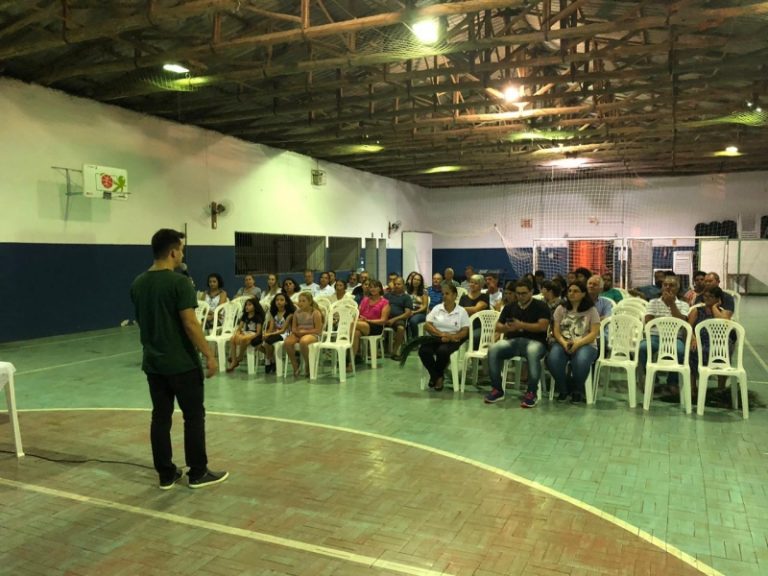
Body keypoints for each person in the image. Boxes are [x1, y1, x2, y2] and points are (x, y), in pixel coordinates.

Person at [130, 228, 228, 490]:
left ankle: (166, 473)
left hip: (154, 363)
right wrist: (209, 354)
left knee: (160, 418)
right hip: (182, 364)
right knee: (193, 417)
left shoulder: (138, 283)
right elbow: (190, 323)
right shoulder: (179, 283)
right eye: (181, 250)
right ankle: (197, 472)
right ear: (173, 252)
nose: (182, 254)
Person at [484, 280, 550, 408]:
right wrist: (508, 328)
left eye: (524, 293)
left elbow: (543, 326)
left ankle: (531, 392)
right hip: (513, 342)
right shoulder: (510, 307)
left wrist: (522, 325)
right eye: (518, 293)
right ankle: (497, 389)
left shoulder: (541, 306)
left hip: (536, 342)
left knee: (532, 351)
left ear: (531, 292)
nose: (520, 296)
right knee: (493, 349)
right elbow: (497, 326)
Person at [547, 281, 600, 404]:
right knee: (553, 359)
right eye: (570, 291)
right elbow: (556, 331)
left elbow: (593, 334)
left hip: (585, 343)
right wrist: (564, 343)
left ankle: (577, 390)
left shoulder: (592, 310)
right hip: (562, 342)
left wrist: (577, 344)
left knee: (580, 361)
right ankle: (564, 389)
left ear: (583, 294)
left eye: (576, 291)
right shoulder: (560, 309)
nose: (571, 293)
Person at [638, 275, 690, 390]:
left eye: (671, 285)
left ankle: (672, 381)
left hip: (675, 338)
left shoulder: (684, 304)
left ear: (677, 288)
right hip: (654, 336)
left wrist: (672, 304)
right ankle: (651, 377)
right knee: (642, 348)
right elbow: (648, 321)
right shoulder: (653, 302)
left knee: (680, 351)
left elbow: (682, 322)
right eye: (665, 285)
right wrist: (669, 323)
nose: (668, 288)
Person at [418, 284, 470, 391]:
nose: (444, 296)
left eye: (447, 294)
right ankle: (437, 376)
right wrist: (440, 334)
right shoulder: (437, 308)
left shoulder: (461, 311)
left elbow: (465, 331)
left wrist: (451, 337)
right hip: (436, 337)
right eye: (443, 294)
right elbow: (427, 325)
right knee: (423, 350)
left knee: (442, 351)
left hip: (453, 339)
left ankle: (435, 377)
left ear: (455, 295)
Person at [688, 286, 729, 394]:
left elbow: (723, 325)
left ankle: (721, 388)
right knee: (692, 352)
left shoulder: (722, 312)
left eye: (711, 296)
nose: (707, 298)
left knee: (722, 353)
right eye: (705, 296)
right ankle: (693, 387)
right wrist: (693, 338)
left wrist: (714, 307)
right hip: (698, 342)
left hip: (716, 344)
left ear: (718, 299)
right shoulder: (696, 311)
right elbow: (688, 328)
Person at [284, 292, 323, 377]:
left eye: (303, 301)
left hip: (312, 334)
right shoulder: (297, 313)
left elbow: (318, 330)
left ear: (309, 302)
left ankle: (307, 364)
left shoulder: (315, 312)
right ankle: (295, 365)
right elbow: (294, 328)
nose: (300, 303)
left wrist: (303, 332)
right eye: (299, 301)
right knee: (287, 342)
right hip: (299, 333)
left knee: (304, 341)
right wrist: (297, 332)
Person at [353, 279, 390, 359]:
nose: (372, 289)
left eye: (375, 287)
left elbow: (383, 320)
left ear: (380, 289)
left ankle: (345, 354)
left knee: (351, 324)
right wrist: (360, 318)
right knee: (355, 333)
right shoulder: (365, 300)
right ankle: (351, 361)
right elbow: (358, 313)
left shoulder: (385, 302)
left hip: (375, 326)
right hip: (362, 324)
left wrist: (368, 320)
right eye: (371, 287)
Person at [227, 298, 265, 372]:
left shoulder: (258, 317)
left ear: (255, 306)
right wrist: (237, 334)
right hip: (246, 333)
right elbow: (240, 328)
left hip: (254, 334)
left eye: (249, 305)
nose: (247, 307)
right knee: (232, 338)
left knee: (244, 339)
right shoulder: (245, 315)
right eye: (246, 305)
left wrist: (246, 336)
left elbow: (258, 332)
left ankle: (240, 356)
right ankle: (234, 360)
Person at [262, 293, 295, 374]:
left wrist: (269, 335)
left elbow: (283, 330)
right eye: (277, 300)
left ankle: (268, 361)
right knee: (259, 344)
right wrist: (266, 334)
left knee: (267, 342)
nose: (279, 302)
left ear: (286, 302)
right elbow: (271, 328)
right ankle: (272, 360)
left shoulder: (289, 314)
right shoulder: (274, 312)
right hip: (275, 333)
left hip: (285, 334)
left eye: (281, 300)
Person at [384, 276, 412, 359]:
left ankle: (394, 351)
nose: (396, 285)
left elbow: (407, 314)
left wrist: (394, 319)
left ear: (403, 285)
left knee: (400, 328)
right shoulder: (387, 295)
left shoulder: (406, 297)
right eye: (395, 284)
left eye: (399, 284)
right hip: (385, 318)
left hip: (398, 319)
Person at [406, 272, 429, 339]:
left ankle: (415, 340)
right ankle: (406, 339)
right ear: (412, 280)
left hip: (420, 313)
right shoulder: (407, 291)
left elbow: (425, 306)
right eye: (415, 279)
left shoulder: (424, 291)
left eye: (418, 280)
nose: (416, 281)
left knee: (413, 321)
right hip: (408, 311)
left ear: (421, 282)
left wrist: (414, 312)